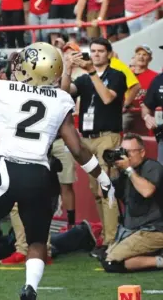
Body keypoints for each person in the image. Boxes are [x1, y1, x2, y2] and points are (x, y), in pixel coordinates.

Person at [0, 42, 113, 300]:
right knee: (37, 239)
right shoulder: (61, 98)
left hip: (6, 169)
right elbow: (77, 148)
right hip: (38, 174)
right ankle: (30, 289)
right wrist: (102, 177)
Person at [61, 38, 128, 257]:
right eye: (94, 51)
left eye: (101, 51)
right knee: (96, 191)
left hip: (108, 137)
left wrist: (91, 73)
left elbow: (108, 98)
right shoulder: (83, 79)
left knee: (105, 188)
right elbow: (63, 92)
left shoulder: (117, 75)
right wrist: (67, 69)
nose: (96, 55)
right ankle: (108, 237)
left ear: (109, 54)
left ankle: (111, 240)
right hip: (87, 138)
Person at [101, 133, 163, 273]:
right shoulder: (124, 174)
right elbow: (103, 193)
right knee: (105, 256)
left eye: (128, 152)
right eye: (122, 151)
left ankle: (159, 260)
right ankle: (156, 255)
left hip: (155, 229)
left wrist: (129, 169)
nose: (125, 156)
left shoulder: (152, 167)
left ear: (142, 152)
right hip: (134, 231)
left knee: (111, 262)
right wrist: (109, 167)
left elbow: (147, 191)